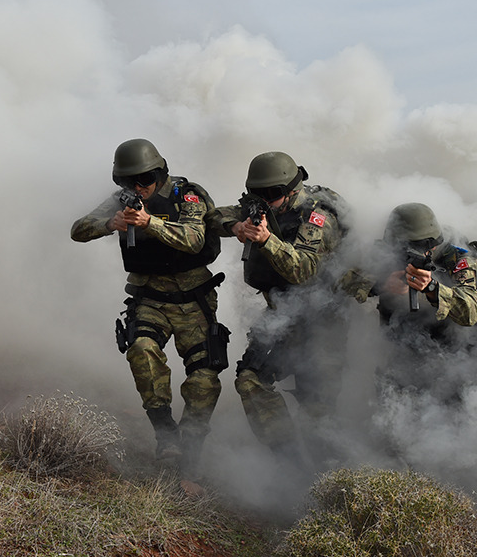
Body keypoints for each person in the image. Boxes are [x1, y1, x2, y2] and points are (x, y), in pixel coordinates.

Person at [70, 139, 228, 474]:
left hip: (193, 300)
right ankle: (164, 432)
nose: (139, 189)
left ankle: (193, 448)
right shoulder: (122, 200)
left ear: (158, 173)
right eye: (130, 183)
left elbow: (194, 238)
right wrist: (110, 224)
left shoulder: (186, 196)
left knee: (204, 378)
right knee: (141, 349)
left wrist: (149, 223)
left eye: (145, 181)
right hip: (149, 298)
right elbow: (78, 230)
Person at [210, 151, 350, 470]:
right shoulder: (263, 204)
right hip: (282, 316)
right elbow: (212, 217)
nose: (265, 202)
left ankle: (333, 481)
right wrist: (237, 227)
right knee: (250, 379)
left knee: (318, 411)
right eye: (258, 195)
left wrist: (266, 240)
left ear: (290, 189)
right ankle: (289, 462)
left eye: (272, 195)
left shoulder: (318, 218)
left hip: (322, 322)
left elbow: (304, 270)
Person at [341, 202, 477, 399]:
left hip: (451, 360)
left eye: (410, 249)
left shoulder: (460, 259)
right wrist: (381, 283)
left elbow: (471, 313)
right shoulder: (385, 251)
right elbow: (341, 282)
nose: (402, 254)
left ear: (431, 245)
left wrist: (432, 288)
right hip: (399, 359)